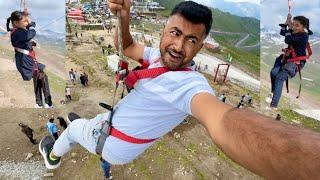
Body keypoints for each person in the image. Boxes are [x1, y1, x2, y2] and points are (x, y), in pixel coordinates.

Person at [39, 1, 320, 179]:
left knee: (74, 130)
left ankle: (52, 157)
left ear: (200, 46)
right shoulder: (156, 56)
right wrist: (124, 17)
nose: (178, 46)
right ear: (164, 30)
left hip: (113, 143)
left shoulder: (192, 86)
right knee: (86, 125)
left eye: (191, 39)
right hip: (115, 130)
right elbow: (126, 47)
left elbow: (223, 121)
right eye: (175, 33)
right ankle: (87, 128)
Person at [7, 10, 53, 108]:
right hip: (26, 61)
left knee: (39, 78)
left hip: (25, 59)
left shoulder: (17, 31)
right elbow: (30, 34)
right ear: (15, 23)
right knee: (43, 77)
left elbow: (20, 42)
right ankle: (47, 103)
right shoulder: (18, 32)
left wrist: (30, 44)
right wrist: (30, 25)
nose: (25, 23)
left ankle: (39, 103)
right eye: (23, 21)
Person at [270, 14, 313, 108]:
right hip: (287, 58)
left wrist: (289, 28)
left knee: (280, 78)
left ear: (303, 27)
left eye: (297, 25)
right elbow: (282, 33)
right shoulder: (294, 32)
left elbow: (288, 40)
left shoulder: (303, 36)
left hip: (295, 62)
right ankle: (274, 92)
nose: (294, 27)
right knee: (273, 72)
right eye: (293, 24)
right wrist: (286, 24)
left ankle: (273, 105)